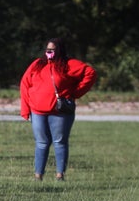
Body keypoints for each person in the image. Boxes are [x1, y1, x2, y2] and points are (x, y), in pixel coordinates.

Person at [20, 37, 97, 181]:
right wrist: (25, 108)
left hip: (60, 112)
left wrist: (75, 93)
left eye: (53, 50)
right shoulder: (37, 64)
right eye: (48, 49)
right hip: (38, 111)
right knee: (41, 143)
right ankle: (38, 175)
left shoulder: (69, 64)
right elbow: (25, 84)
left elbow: (90, 73)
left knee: (59, 142)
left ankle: (60, 175)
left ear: (60, 50)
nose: (50, 52)